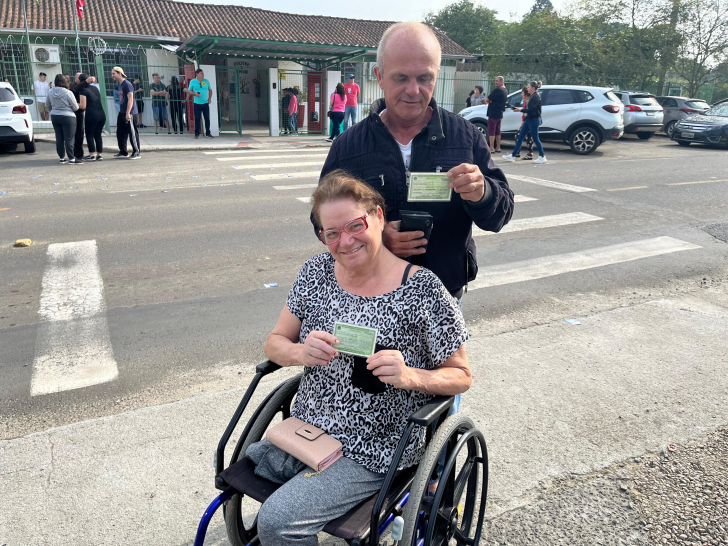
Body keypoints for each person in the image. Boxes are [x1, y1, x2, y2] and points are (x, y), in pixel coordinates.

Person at [249, 170, 471, 545]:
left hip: (376, 444)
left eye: (355, 225)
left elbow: (461, 375)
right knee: (249, 473)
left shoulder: (423, 290)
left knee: (277, 522)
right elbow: (274, 343)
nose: (345, 241)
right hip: (309, 428)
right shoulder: (315, 272)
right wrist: (300, 351)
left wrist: (410, 376)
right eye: (331, 233)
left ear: (379, 218)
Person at [318, 22, 513, 447]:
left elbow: (500, 213)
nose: (413, 89)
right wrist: (375, 240)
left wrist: (482, 192)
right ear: (379, 76)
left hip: (441, 297)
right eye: (400, 77)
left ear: (436, 75)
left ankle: (434, 493)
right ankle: (367, 477)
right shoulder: (349, 146)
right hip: (370, 302)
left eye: (424, 78)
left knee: (437, 404)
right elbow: (324, 223)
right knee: (369, 394)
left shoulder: (465, 138)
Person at [502, 80, 546, 164]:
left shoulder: (536, 97)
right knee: (520, 137)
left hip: (533, 120)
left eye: (529, 87)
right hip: (528, 120)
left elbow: (532, 110)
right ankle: (513, 156)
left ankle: (542, 156)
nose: (528, 88)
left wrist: (520, 110)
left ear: (533, 88)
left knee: (536, 138)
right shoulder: (532, 96)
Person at [46, 74, 79, 164]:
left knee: (59, 137)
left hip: (55, 116)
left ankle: (61, 157)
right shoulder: (68, 92)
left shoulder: (50, 92)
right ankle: (71, 158)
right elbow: (75, 107)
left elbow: (47, 105)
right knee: (69, 138)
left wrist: (54, 110)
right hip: (68, 116)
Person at [111, 66, 141, 159]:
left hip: (129, 112)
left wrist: (128, 113)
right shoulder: (120, 84)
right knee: (120, 132)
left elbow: (130, 99)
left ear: (119, 73)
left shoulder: (127, 84)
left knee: (132, 132)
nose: (112, 76)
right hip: (122, 111)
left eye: (113, 74)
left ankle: (136, 151)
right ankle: (123, 151)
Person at [78, 74, 106, 161]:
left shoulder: (83, 90)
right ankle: (99, 154)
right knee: (98, 135)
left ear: (80, 81)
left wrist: (73, 104)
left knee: (89, 134)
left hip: (91, 115)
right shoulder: (95, 88)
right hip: (101, 114)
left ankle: (92, 155)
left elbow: (83, 106)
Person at [186, 68, 213, 139]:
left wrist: (209, 99)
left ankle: (208, 133)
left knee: (207, 118)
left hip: (205, 103)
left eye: (203, 73)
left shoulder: (206, 81)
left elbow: (210, 90)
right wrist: (195, 94)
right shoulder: (193, 81)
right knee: (197, 118)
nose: (203, 74)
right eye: (201, 73)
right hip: (197, 103)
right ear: (197, 74)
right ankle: (197, 133)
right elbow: (189, 91)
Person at [485, 76, 507, 153]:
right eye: (495, 80)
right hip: (500, 113)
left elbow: (487, 100)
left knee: (491, 130)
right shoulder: (505, 90)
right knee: (498, 131)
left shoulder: (498, 90)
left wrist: (486, 101)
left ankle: (491, 148)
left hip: (493, 113)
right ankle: (498, 147)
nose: (495, 82)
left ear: (501, 82)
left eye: (497, 81)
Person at [70, 72, 86, 163]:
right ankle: (78, 154)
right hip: (76, 112)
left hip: (79, 113)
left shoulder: (81, 87)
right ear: (77, 78)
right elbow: (77, 89)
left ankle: (79, 153)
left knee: (80, 134)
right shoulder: (74, 86)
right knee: (77, 134)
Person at [516, 86, 533, 160]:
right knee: (529, 137)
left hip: (528, 121)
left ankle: (518, 152)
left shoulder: (527, 102)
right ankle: (528, 153)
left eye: (522, 93)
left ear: (526, 94)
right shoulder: (526, 101)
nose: (521, 95)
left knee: (519, 135)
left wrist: (523, 123)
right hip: (527, 121)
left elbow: (526, 112)